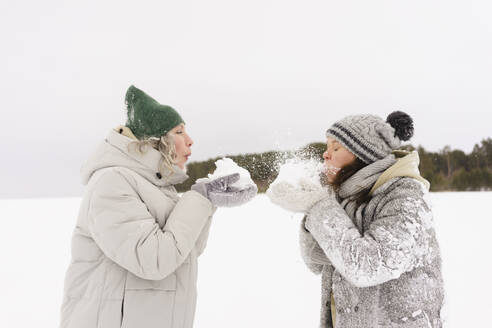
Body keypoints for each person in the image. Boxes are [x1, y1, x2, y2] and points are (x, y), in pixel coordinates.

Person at [59, 85, 256, 328]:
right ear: (156, 140)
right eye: (180, 131)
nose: (190, 141)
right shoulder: (112, 182)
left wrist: (208, 202)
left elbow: (185, 252)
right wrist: (198, 199)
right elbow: (154, 260)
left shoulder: (158, 187)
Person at [274, 112, 444, 327]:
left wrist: (319, 207)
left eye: (336, 148)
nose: (326, 155)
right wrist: (310, 207)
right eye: (327, 148)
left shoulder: (406, 195)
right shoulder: (347, 197)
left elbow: (369, 266)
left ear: (364, 155)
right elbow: (316, 260)